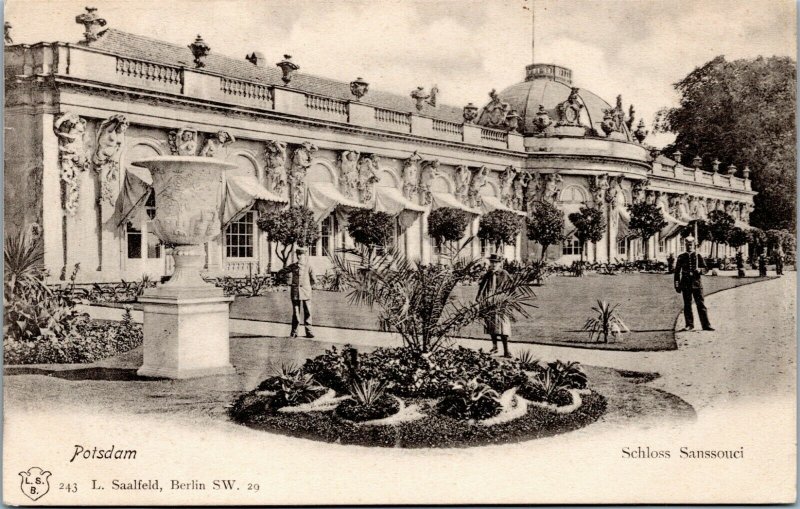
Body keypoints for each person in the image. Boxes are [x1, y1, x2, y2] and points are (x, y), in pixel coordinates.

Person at [674, 236, 714, 331]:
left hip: (697, 284)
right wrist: (677, 285)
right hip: (686, 284)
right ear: (685, 245)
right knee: (687, 305)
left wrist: (700, 270)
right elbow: (677, 272)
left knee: (701, 304)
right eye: (687, 244)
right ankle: (689, 325)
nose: (689, 246)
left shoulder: (698, 256)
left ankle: (706, 325)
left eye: (691, 244)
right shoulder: (681, 257)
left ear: (694, 245)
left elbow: (706, 269)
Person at [476, 253, 512, 357]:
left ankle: (506, 350)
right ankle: (495, 346)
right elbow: (481, 286)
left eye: (496, 262)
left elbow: (512, 286)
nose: (494, 264)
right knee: (491, 325)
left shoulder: (504, 273)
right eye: (492, 262)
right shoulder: (488, 274)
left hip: (501, 303)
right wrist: (479, 296)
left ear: (500, 263)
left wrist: (506, 297)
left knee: (503, 327)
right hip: (489, 302)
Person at [289, 246, 314, 338]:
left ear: (305, 256)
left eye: (301, 255)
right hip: (295, 293)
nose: (299, 257)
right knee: (296, 313)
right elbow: (282, 272)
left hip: (306, 292)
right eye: (298, 255)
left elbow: (313, 280)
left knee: (308, 312)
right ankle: (294, 332)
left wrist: (307, 286)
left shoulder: (309, 266)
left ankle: (309, 331)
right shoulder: (293, 266)